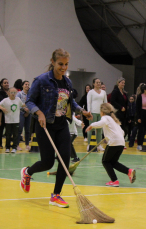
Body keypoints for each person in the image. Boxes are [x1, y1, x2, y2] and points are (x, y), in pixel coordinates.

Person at [22, 48, 92, 208]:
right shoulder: (41, 80)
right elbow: (29, 101)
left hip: (62, 125)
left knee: (64, 160)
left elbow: (70, 102)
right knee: (47, 163)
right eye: (60, 64)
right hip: (45, 125)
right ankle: (27, 172)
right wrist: (39, 113)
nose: (63, 67)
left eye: (66, 64)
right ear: (52, 62)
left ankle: (56, 195)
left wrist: (82, 111)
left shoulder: (67, 82)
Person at [86, 103, 135, 187]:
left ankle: (114, 180)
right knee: (113, 162)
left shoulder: (105, 118)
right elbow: (122, 132)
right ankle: (128, 171)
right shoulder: (114, 120)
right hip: (121, 143)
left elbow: (101, 123)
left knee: (105, 161)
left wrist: (91, 125)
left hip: (114, 142)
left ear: (102, 111)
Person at [0, 87, 24, 153]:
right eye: (11, 92)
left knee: (15, 134)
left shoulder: (18, 99)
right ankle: (7, 147)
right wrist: (2, 109)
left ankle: (14, 147)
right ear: (8, 93)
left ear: (16, 93)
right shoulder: (5, 100)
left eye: (14, 92)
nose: (13, 94)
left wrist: (29, 104)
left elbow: (23, 105)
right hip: (8, 120)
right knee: (8, 134)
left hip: (16, 120)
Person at [87, 78, 107, 151]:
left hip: (101, 113)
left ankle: (99, 145)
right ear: (93, 84)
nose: (98, 83)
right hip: (93, 113)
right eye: (97, 82)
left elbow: (105, 103)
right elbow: (88, 103)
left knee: (100, 130)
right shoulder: (91, 92)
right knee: (91, 128)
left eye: (99, 82)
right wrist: (89, 112)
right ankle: (89, 144)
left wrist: (105, 112)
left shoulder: (103, 92)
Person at [136, 83, 146, 150]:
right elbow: (137, 108)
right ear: (144, 90)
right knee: (141, 129)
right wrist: (138, 117)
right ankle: (139, 144)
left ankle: (145, 143)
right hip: (141, 113)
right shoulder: (139, 96)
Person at [16, 80, 31, 151]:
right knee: (20, 129)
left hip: (29, 113)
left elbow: (31, 103)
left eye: (28, 84)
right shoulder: (19, 94)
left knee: (27, 130)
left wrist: (28, 111)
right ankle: (17, 144)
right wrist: (24, 108)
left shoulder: (30, 94)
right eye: (26, 84)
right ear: (22, 85)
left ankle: (27, 144)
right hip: (21, 113)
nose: (27, 86)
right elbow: (17, 104)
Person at [0, 78, 9, 148]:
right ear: (1, 84)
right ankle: (0, 144)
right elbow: (0, 102)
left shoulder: (10, 91)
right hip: (1, 113)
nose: (6, 84)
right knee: (0, 129)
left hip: (9, 113)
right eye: (5, 83)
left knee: (9, 130)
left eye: (7, 82)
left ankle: (8, 145)